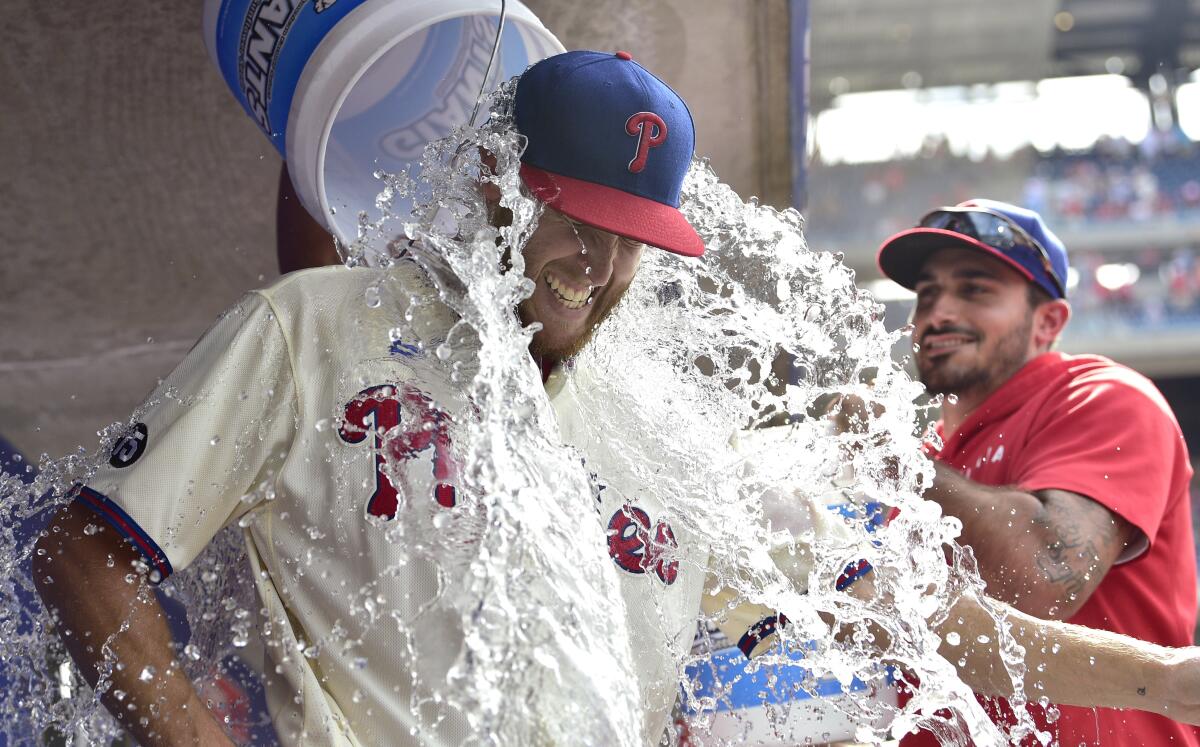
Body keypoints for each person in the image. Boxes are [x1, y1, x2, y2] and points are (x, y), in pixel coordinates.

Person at [30, 52, 1200, 747]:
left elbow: (896, 621)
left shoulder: (665, 427)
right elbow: (88, 548)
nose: (599, 265)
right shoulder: (315, 331)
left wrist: (1167, 679)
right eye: (572, 219)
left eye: (635, 237)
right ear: (494, 181)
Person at [876, 199, 1200, 745]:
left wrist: (897, 460)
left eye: (975, 289)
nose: (939, 313)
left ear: (1049, 320)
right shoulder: (929, 454)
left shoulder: (1105, 397)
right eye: (926, 295)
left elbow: (1041, 577)